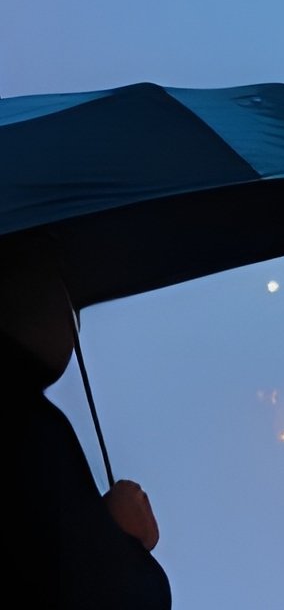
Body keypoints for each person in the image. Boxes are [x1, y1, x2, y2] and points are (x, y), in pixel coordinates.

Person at [0, 238, 170, 606]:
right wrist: (124, 545)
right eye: (71, 302)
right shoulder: (25, 427)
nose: (74, 319)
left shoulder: (27, 417)